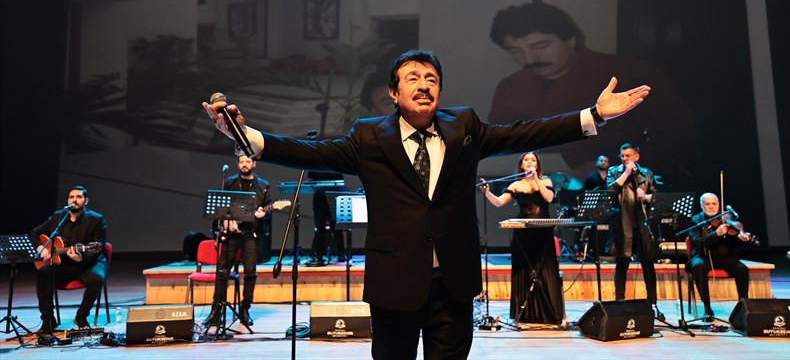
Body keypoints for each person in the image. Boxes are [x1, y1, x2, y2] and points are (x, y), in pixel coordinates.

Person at [203, 48, 650, 360]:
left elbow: (525, 133)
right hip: (395, 283)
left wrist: (595, 115)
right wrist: (245, 136)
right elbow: (309, 152)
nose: (423, 86)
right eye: (413, 79)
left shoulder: (465, 127)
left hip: (452, 284)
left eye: (432, 80)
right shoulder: (368, 136)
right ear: (393, 93)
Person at [488, 2, 696, 176]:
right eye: (515, 51)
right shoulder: (510, 88)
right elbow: (500, 146)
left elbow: (675, 139)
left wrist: (608, 168)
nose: (529, 59)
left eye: (541, 46)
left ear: (571, 39)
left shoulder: (630, 74)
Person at [480, 152, 564, 324]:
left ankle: (550, 313)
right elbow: (499, 202)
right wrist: (487, 193)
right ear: (521, 165)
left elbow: (549, 198)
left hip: (543, 232)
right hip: (523, 233)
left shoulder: (545, 181)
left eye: (533, 160)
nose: (530, 162)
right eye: (526, 160)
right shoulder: (516, 185)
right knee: (524, 270)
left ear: (537, 165)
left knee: (546, 269)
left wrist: (536, 179)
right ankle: (525, 314)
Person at [205, 155, 288, 327]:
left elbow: (268, 209)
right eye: (241, 162)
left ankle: (245, 309)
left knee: (250, 272)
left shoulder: (263, 185)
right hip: (230, 235)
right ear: (238, 164)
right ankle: (216, 310)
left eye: (248, 161)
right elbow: (219, 208)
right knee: (222, 272)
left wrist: (264, 213)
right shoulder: (229, 183)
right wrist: (226, 221)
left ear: (254, 164)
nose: (244, 164)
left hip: (250, 233)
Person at [30, 186, 108, 333]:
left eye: (79, 197)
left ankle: (81, 317)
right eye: (71, 197)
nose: (74, 200)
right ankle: (48, 320)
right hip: (64, 264)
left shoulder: (96, 219)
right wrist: (41, 248)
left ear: (86, 201)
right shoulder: (58, 217)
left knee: (97, 278)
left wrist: (80, 257)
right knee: (43, 273)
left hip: (89, 264)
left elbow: (99, 247)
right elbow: (34, 233)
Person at [606, 143, 662, 320]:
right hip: (623, 223)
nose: (624, 159)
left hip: (642, 224)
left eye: (628, 156)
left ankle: (652, 303)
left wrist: (645, 197)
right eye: (622, 156)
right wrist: (626, 173)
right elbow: (609, 191)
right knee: (622, 263)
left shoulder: (647, 173)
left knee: (648, 264)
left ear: (636, 157)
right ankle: (619, 301)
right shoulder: (614, 172)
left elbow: (658, 197)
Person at [687, 192, 751, 321]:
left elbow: (735, 245)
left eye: (714, 204)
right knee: (698, 267)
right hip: (703, 256)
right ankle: (707, 309)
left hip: (723, 257)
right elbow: (698, 243)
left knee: (742, 269)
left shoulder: (726, 219)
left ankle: (743, 306)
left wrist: (742, 239)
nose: (711, 207)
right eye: (707, 204)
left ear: (719, 205)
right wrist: (716, 234)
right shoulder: (695, 220)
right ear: (701, 205)